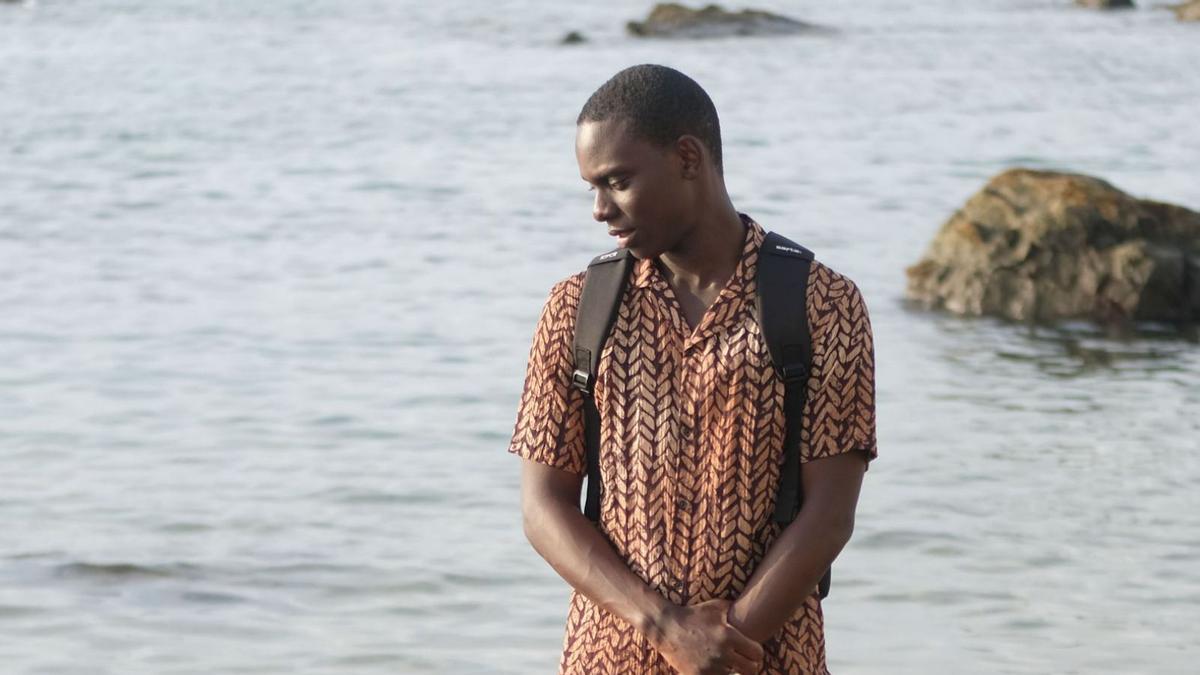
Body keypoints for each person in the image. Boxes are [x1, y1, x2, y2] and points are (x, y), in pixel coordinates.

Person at [507, 64, 877, 675]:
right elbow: (543, 509)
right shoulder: (578, 308)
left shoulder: (821, 302)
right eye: (591, 187)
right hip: (607, 658)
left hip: (768, 659)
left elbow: (830, 514)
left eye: (618, 181)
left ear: (686, 157)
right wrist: (664, 627)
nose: (600, 208)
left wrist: (720, 647)